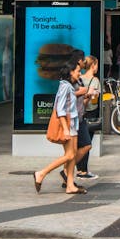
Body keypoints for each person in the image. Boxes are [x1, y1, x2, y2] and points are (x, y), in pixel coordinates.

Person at [33, 61, 85, 194]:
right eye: (78, 71)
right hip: (68, 124)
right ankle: (42, 173)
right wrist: (66, 129)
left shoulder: (68, 86)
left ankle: (70, 185)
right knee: (70, 155)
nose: (80, 74)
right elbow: (60, 109)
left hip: (72, 124)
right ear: (71, 72)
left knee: (72, 156)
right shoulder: (65, 87)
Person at [74, 55, 101, 181]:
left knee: (80, 144)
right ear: (93, 65)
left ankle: (80, 169)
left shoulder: (79, 78)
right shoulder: (95, 81)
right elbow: (95, 101)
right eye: (96, 65)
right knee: (87, 143)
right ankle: (82, 170)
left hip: (78, 113)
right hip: (90, 112)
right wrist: (91, 95)